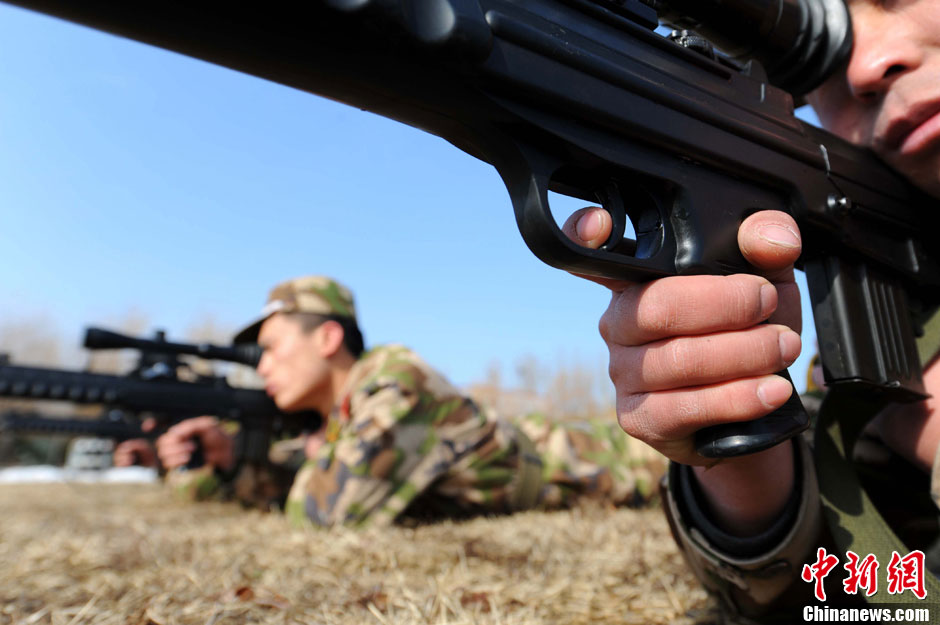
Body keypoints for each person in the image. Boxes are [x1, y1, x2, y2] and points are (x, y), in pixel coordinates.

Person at [559, 0, 940, 619]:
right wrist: (745, 459)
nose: (867, 67)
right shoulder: (893, 333)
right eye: (827, 64)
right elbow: (846, 592)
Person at [154, 275, 666, 526]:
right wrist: (222, 461)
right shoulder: (346, 413)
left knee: (699, 476)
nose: (261, 366)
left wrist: (291, 461)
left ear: (328, 339)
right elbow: (291, 480)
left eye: (270, 349)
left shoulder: (395, 383)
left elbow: (326, 513)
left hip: (609, 465)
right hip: (557, 469)